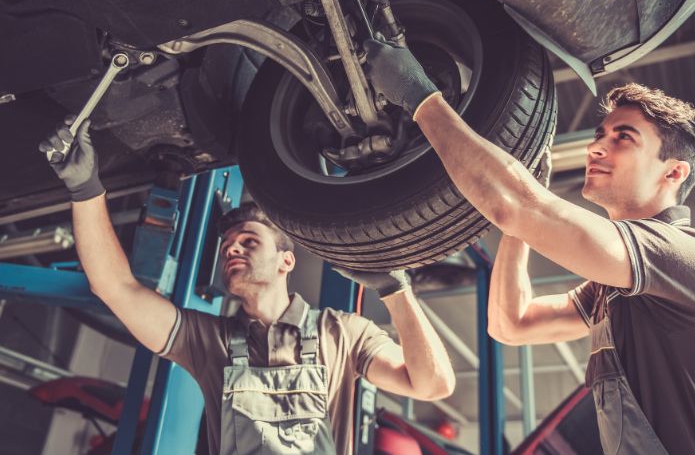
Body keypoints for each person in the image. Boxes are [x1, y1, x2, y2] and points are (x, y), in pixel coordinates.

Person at [363, 39, 695, 454]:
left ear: (673, 172)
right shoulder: (615, 288)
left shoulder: (694, 259)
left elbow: (516, 206)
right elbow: (510, 323)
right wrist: (524, 224)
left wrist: (420, 100)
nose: (595, 146)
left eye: (624, 137)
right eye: (600, 134)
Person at [38, 117, 455, 455]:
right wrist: (85, 189)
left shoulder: (344, 333)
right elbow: (116, 288)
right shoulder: (207, 342)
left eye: (249, 241)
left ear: (286, 261)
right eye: (228, 245)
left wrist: (395, 288)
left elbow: (432, 384)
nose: (232, 249)